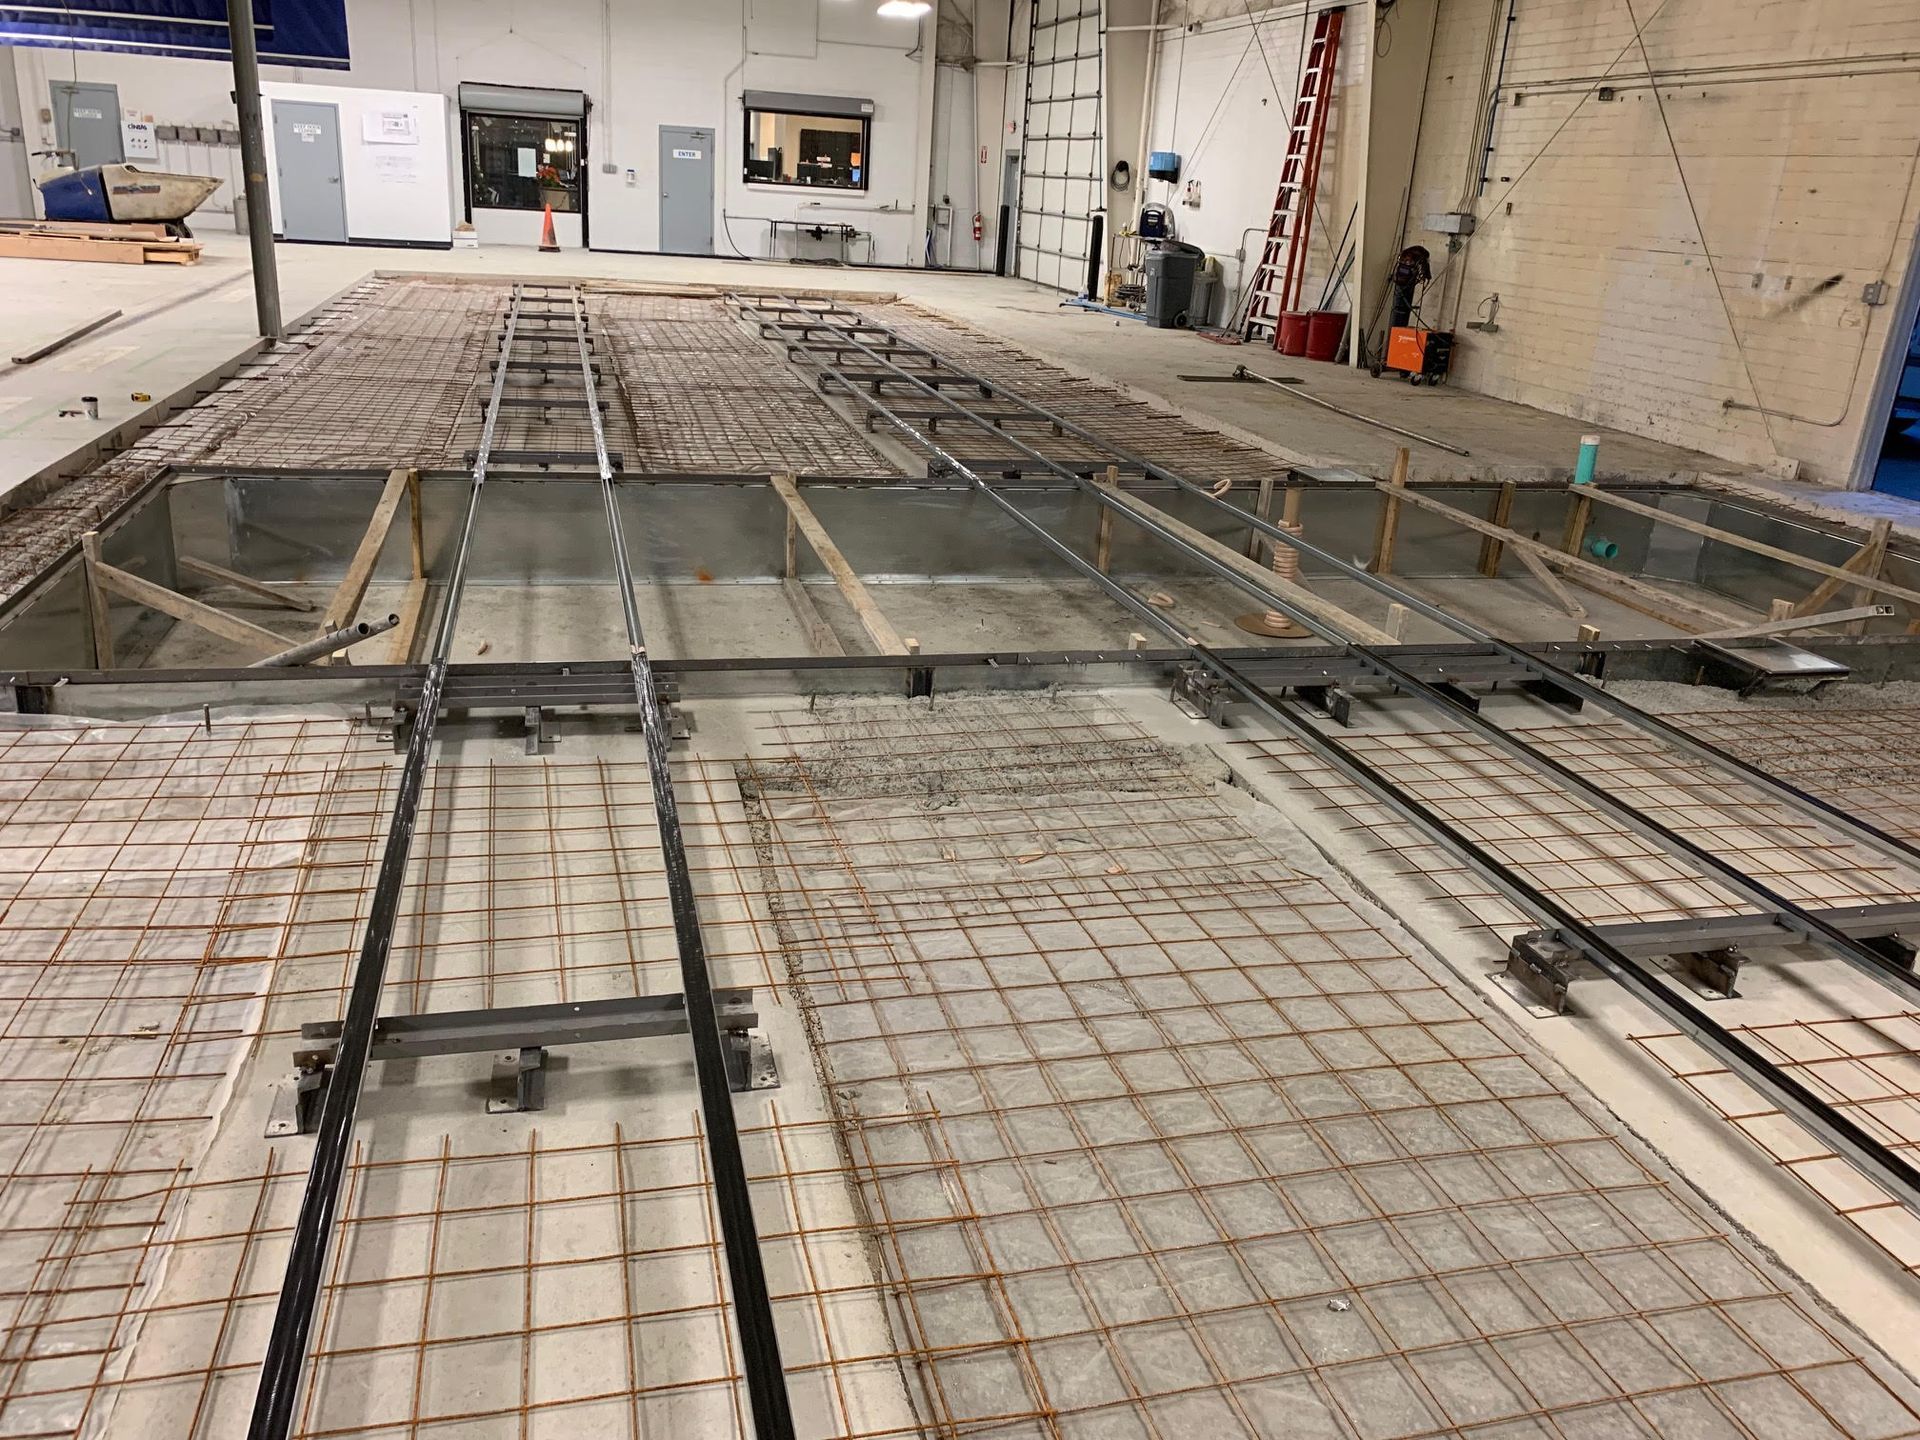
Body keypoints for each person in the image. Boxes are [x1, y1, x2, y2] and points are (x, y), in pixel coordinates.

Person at [1389, 244, 1431, 329]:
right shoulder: (1408, 262)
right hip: (1402, 292)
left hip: (1405, 291)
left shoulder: (1412, 261)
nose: (1406, 262)